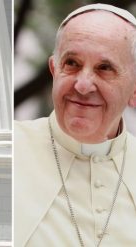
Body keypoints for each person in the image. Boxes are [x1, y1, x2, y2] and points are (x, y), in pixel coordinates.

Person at [15, 4, 136, 246]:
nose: (83, 85)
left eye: (104, 68)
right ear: (53, 70)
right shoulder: (11, 148)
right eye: (72, 63)